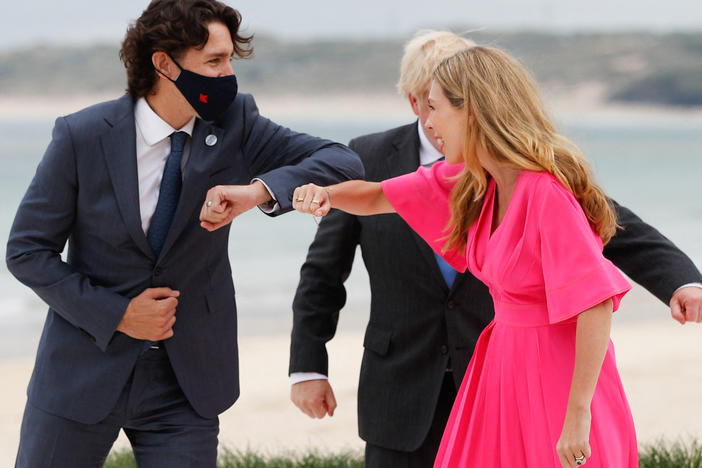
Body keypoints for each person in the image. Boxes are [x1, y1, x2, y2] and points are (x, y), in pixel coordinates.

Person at [280, 32, 702, 468]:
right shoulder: (473, 181)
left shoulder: (545, 193)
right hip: (498, 372)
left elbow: (594, 302)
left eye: (437, 108)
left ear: (473, 112)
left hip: (552, 379)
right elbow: (374, 197)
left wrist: (577, 415)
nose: (428, 123)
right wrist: (319, 194)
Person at [5, 1, 363, 466]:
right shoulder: (83, 136)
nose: (229, 74)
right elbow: (27, 250)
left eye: (231, 59)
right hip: (81, 371)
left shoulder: (236, 122)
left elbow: (342, 160)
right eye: (214, 61)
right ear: (163, 63)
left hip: (186, 381)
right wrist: (118, 314)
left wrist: (258, 191)